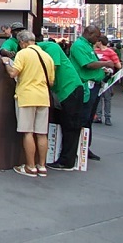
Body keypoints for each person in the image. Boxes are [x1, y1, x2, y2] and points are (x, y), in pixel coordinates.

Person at [1, 30, 55, 177]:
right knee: (42, 133)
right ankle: (42, 166)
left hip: (26, 96)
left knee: (28, 132)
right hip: (43, 97)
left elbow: (13, 73)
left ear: (22, 42)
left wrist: (6, 63)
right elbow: (51, 81)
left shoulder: (23, 54)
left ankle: (30, 167)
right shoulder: (47, 56)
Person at [38, 39, 85, 171]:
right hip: (64, 91)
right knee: (64, 123)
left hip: (70, 89)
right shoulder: (43, 49)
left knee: (71, 126)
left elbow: (53, 70)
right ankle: (65, 157)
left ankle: (67, 161)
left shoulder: (51, 47)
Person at [69, 26, 115, 161]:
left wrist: (103, 69)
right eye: (96, 36)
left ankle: (85, 147)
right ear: (89, 33)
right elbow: (88, 64)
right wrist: (105, 63)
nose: (97, 40)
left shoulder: (88, 45)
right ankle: (78, 147)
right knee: (83, 117)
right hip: (86, 86)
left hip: (94, 85)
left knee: (88, 119)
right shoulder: (78, 46)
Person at [94, 36, 121, 126]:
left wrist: (108, 67)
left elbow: (118, 65)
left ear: (100, 42)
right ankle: (98, 116)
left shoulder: (111, 52)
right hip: (97, 77)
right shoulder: (95, 51)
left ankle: (107, 117)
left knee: (107, 98)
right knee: (98, 97)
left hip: (107, 77)